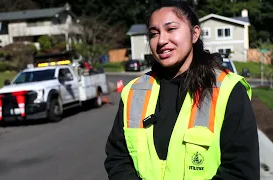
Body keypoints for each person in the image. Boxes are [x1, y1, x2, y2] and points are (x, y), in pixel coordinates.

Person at [104, 1, 260, 180]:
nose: (161, 40)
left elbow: (241, 171)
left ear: (194, 34)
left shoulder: (228, 89)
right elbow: (117, 158)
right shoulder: (134, 91)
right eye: (154, 33)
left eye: (171, 29)